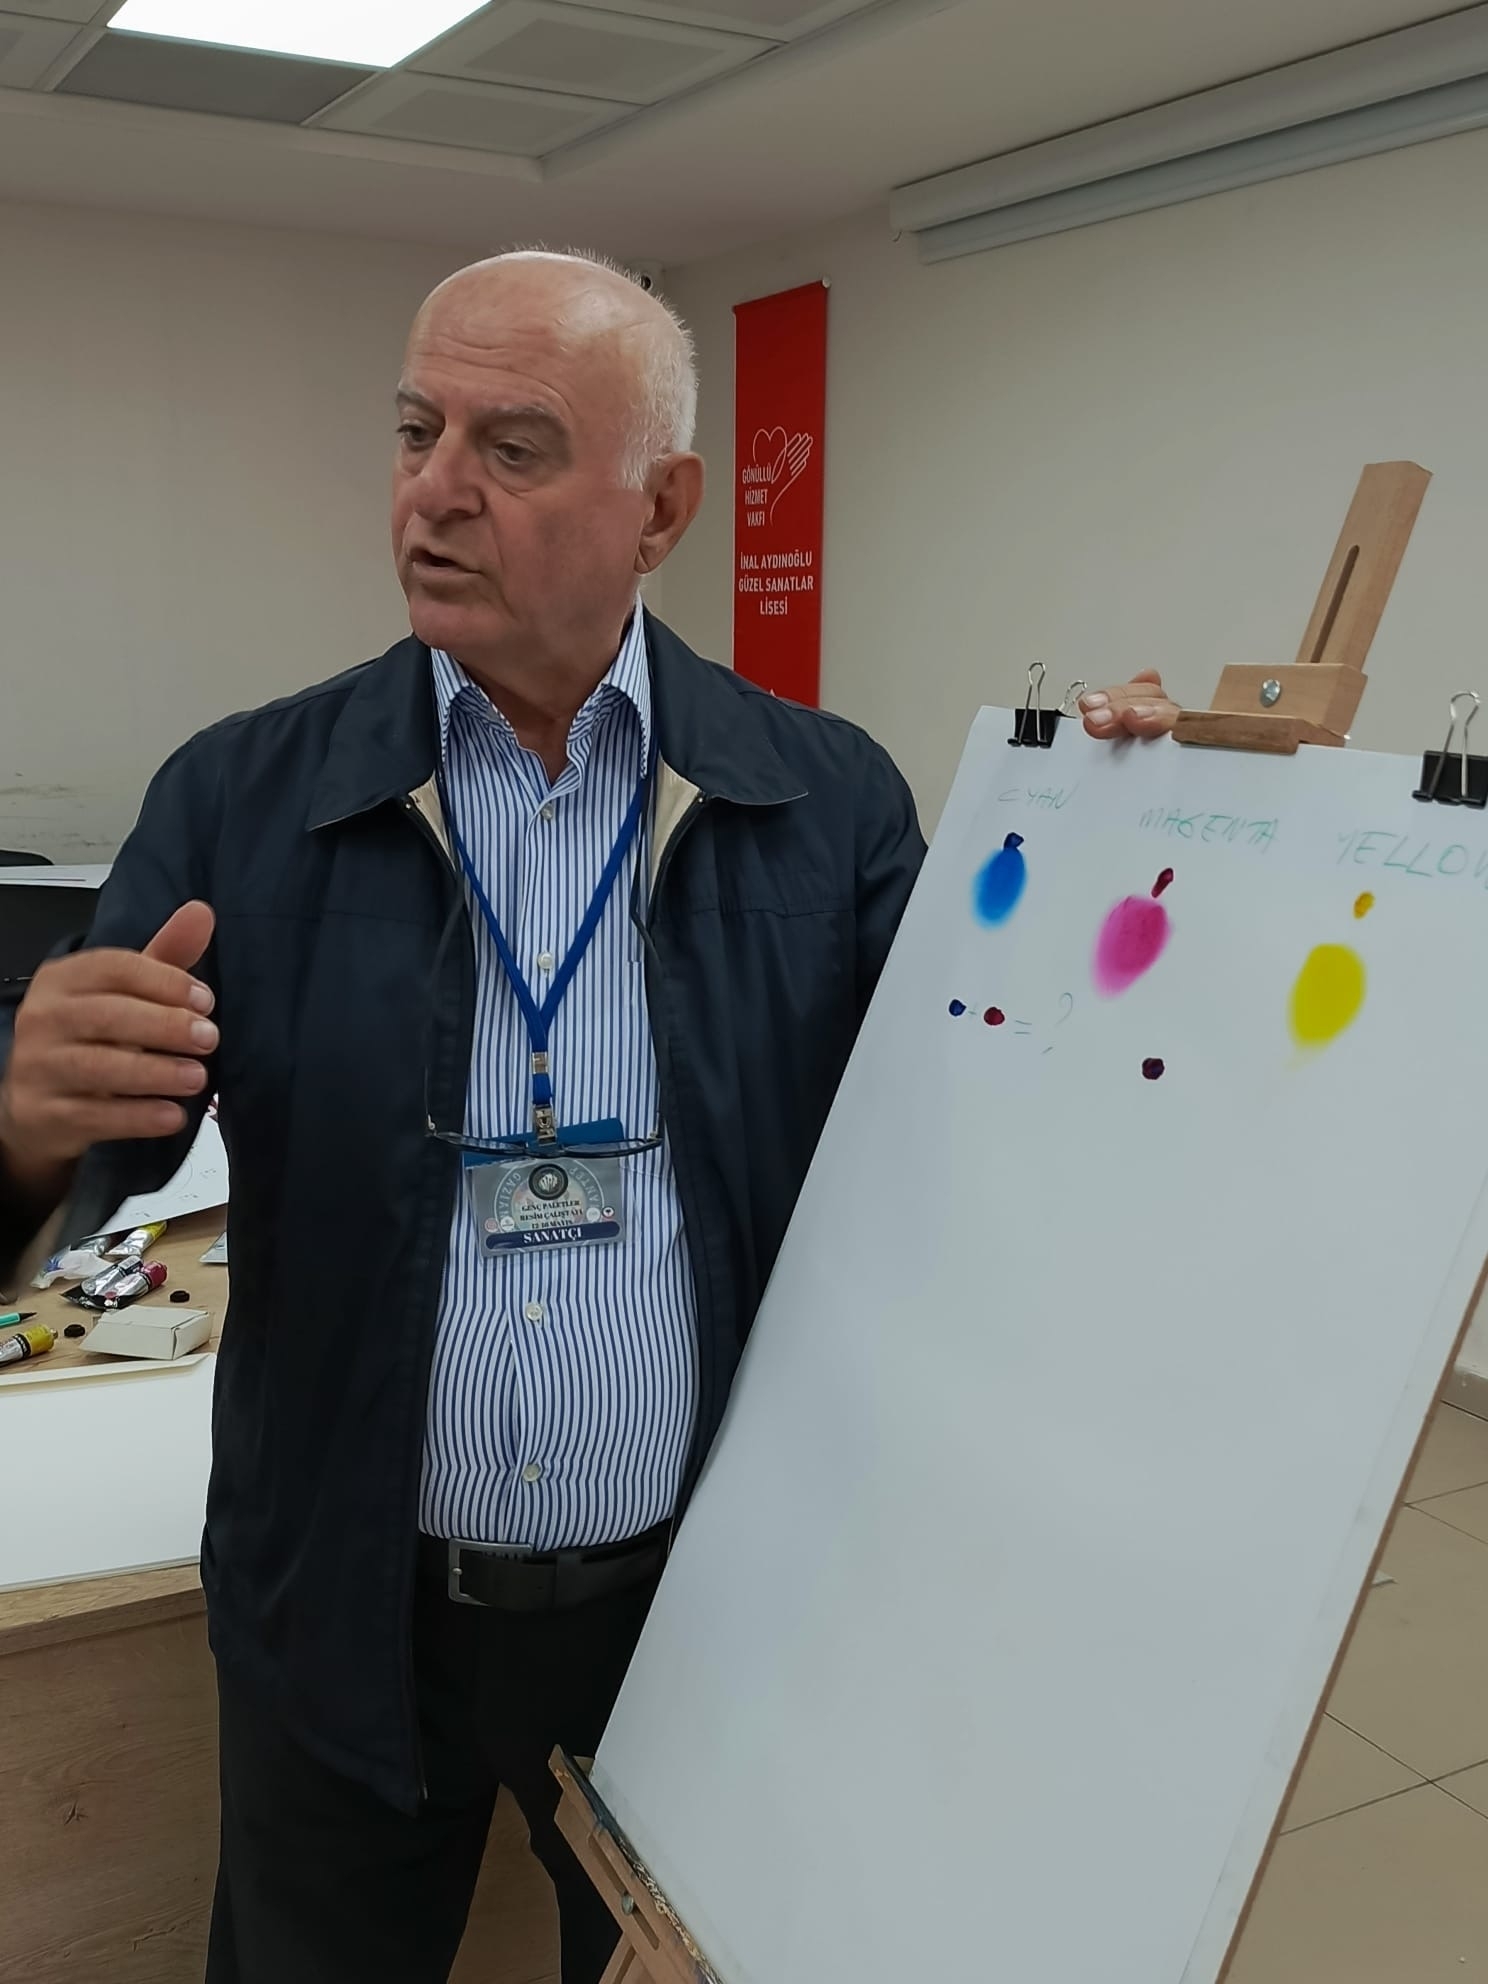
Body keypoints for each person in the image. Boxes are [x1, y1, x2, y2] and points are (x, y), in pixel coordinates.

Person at [0, 251, 1181, 1984]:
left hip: (696, 1617)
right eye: (416, 431)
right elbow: (74, 1175)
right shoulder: (241, 800)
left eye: (515, 447)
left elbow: (980, 1121)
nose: (436, 490)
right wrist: (25, 1121)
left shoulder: (821, 800)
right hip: (343, 1615)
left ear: (664, 509)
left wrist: (1121, 841)